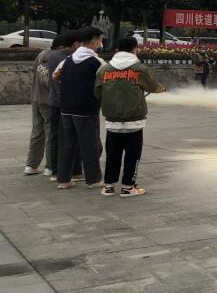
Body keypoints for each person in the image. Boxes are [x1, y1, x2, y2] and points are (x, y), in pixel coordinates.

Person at [95, 36, 165, 197]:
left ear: (117, 49)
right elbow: (153, 87)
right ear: (134, 49)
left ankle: (108, 186)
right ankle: (128, 187)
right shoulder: (139, 68)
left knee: (112, 154)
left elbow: (97, 92)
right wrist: (161, 89)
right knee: (133, 155)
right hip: (134, 122)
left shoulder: (104, 69)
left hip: (112, 121)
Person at [53, 26, 106, 189]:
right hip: (86, 109)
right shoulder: (96, 62)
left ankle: (63, 180)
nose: (101, 43)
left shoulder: (67, 60)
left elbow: (55, 76)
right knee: (89, 145)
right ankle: (94, 180)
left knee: (66, 145)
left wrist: (72, 85)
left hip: (66, 108)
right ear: (94, 41)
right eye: (100, 40)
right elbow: (107, 81)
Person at [48, 31, 83, 183]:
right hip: (66, 102)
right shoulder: (70, 59)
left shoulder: (53, 55)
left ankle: (55, 170)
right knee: (70, 138)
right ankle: (72, 170)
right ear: (75, 44)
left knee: (56, 136)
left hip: (54, 101)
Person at [24, 35, 58, 176]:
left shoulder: (41, 54)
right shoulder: (54, 57)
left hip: (36, 100)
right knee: (51, 135)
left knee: (37, 133)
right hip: (48, 102)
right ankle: (50, 167)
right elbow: (47, 81)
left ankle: (31, 165)